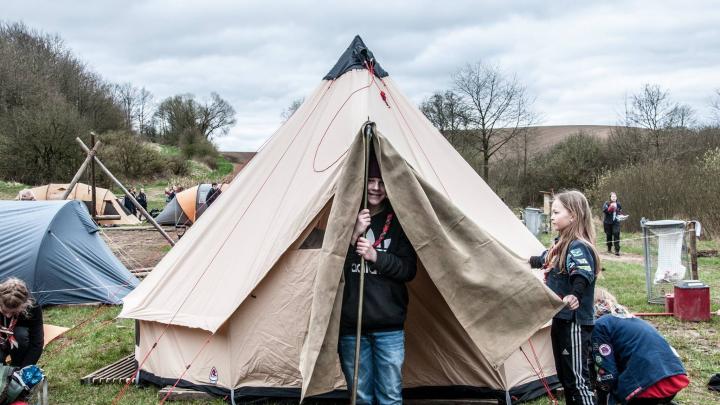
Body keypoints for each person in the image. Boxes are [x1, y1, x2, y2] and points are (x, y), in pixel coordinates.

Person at [338, 150, 417, 405]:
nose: (375, 188)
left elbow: (408, 270)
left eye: (382, 182)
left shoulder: (399, 222)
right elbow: (333, 268)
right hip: (352, 328)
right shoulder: (345, 216)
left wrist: (376, 256)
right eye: (371, 181)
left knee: (390, 397)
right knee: (359, 397)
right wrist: (353, 234)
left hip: (389, 327)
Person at [530, 190, 600, 405]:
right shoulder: (559, 245)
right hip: (560, 319)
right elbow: (542, 259)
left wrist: (575, 294)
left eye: (556, 212)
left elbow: (582, 273)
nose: (551, 216)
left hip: (575, 323)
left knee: (577, 380)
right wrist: (520, 259)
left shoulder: (578, 246)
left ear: (573, 216)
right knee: (565, 377)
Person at [592, 288, 689, 404]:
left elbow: (607, 375)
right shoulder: (631, 319)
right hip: (674, 376)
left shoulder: (601, 325)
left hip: (650, 385)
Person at [0, 278, 44, 368]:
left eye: (13, 312)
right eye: (4, 311)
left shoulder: (33, 307)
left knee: (21, 335)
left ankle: (16, 366)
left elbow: (36, 343)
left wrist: (24, 368)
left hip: (17, 342)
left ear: (24, 305)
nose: (8, 316)